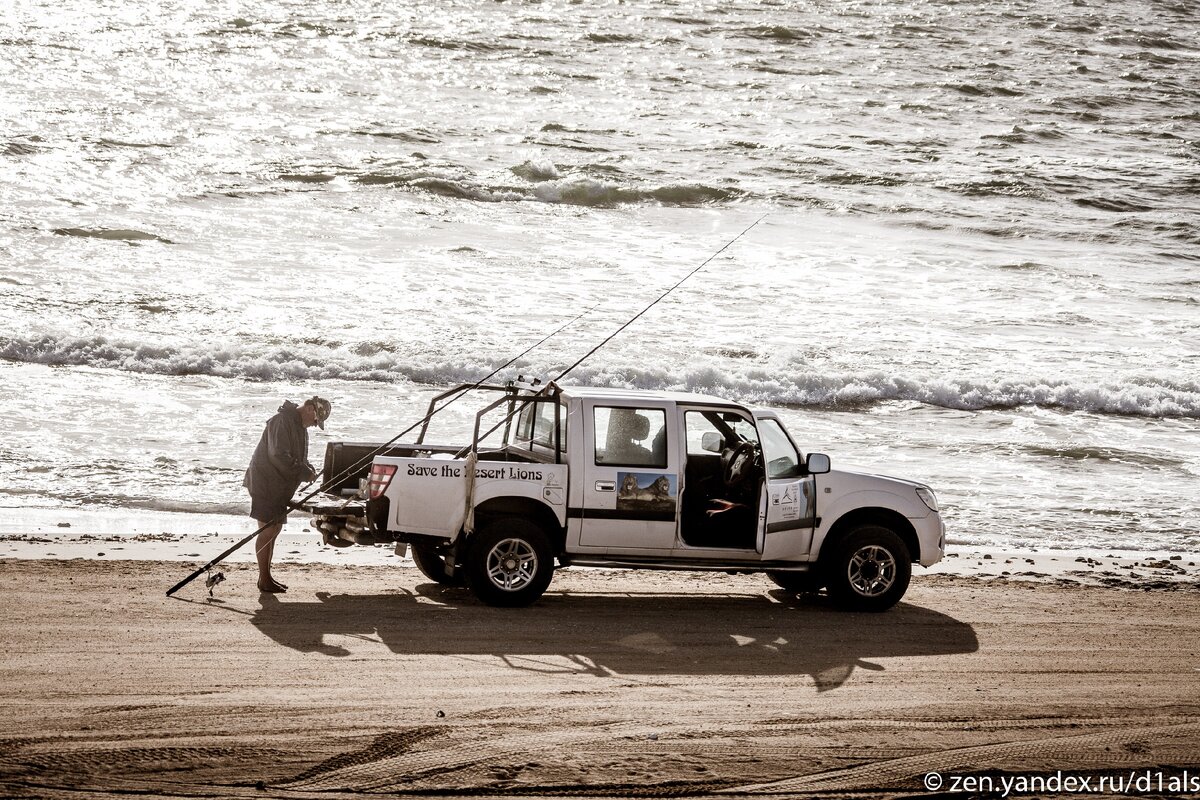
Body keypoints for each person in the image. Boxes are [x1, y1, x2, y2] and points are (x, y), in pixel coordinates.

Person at [243, 396, 331, 593]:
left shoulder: (299, 426)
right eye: (316, 420)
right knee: (267, 530)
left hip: (278, 486)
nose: (314, 425)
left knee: (274, 530)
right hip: (265, 483)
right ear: (310, 409)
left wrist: (307, 468)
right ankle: (264, 579)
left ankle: (266, 577)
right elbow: (278, 455)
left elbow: (297, 457)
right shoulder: (281, 421)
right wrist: (302, 472)